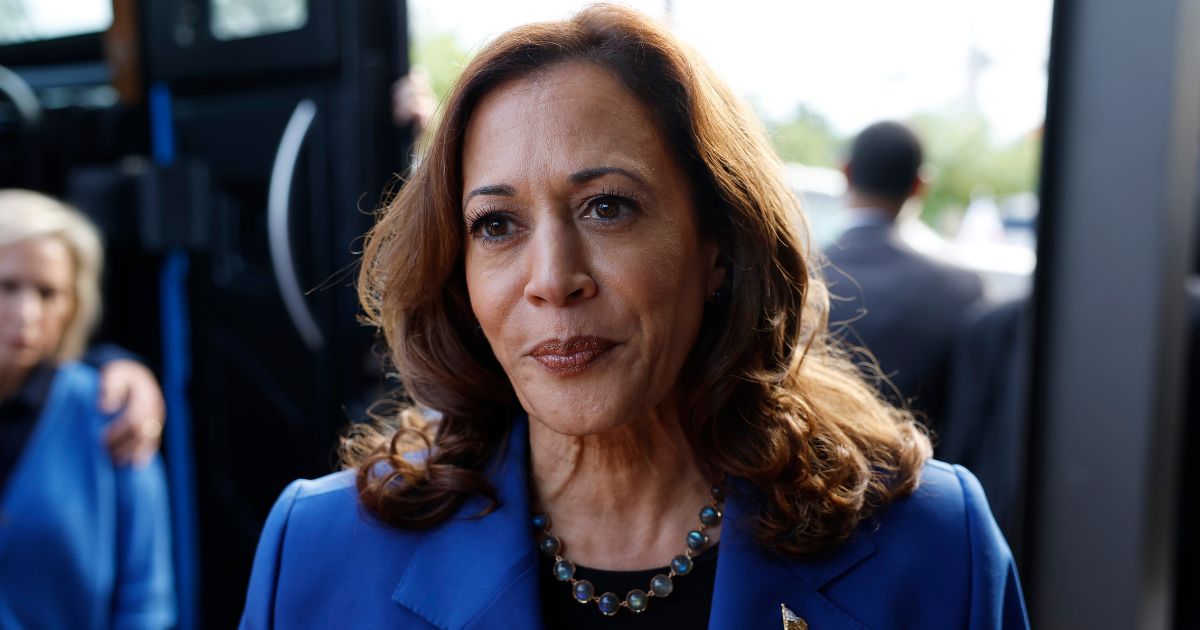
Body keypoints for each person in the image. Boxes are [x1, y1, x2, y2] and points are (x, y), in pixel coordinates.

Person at [241, 6, 1027, 629]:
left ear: (719, 244)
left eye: (607, 207)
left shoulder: (930, 544)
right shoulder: (319, 551)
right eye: (496, 225)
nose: (552, 280)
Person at [0, 189, 175, 628]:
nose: (27, 313)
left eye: (48, 293)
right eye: (6, 286)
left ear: (73, 305)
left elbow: (146, 603)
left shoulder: (113, 413)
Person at [823, 121, 984, 430]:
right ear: (920, 185)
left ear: (845, 171)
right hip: (920, 473)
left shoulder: (794, 276)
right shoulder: (961, 290)